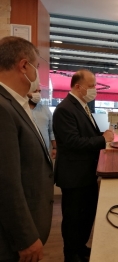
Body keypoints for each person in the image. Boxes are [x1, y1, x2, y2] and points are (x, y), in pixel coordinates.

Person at [0, 36, 54, 262]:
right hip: (13, 241)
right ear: (23, 66)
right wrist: (25, 237)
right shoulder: (3, 108)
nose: (38, 75)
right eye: (37, 67)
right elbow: (6, 181)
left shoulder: (17, 103)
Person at [53, 69, 114, 262]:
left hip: (86, 173)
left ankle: (81, 248)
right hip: (74, 175)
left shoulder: (82, 106)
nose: (95, 89)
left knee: (86, 216)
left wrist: (99, 136)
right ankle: (71, 255)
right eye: (92, 86)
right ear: (78, 87)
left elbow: (85, 135)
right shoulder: (65, 109)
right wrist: (102, 140)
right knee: (73, 220)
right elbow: (73, 142)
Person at [27, 87, 57, 159]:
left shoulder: (45, 109)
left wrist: (55, 148)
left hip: (44, 153)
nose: (37, 94)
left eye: (39, 91)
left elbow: (52, 130)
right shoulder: (20, 108)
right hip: (25, 153)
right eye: (35, 91)